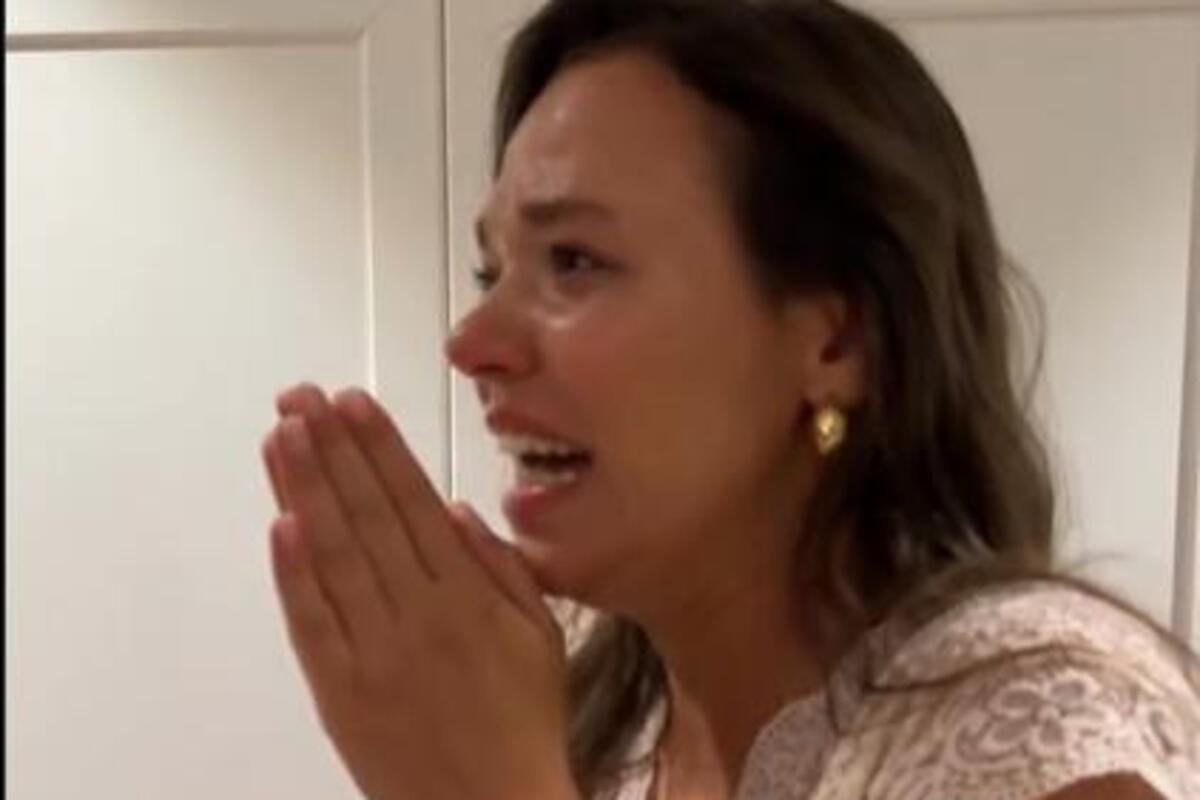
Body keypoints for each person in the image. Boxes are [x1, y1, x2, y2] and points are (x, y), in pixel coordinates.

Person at [262, 1, 1198, 798]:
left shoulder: (1040, 729)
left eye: (575, 261)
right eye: (491, 270)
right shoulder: (591, 714)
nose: (473, 346)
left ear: (837, 341)